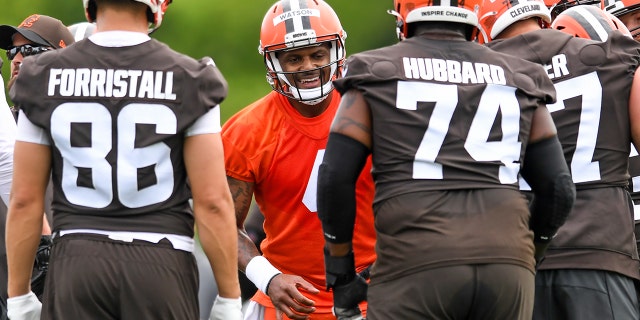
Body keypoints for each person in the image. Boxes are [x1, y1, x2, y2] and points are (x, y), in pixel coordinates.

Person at [317, 0, 577, 318]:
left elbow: (334, 177)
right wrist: (528, 253)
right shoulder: (521, 75)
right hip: (507, 265)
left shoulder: (375, 70)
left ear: (405, 17)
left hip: (415, 263)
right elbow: (558, 187)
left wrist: (341, 272)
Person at [4, 0, 242, 319]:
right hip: (161, 263)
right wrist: (229, 297)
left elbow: (23, 200)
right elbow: (213, 202)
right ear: (156, 6)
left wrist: (19, 294)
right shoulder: (192, 77)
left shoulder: (40, 76)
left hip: (77, 260)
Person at [478, 0, 640, 318]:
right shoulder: (610, 51)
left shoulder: (472, 76)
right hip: (599, 250)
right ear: (543, 16)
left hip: (510, 264)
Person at [219, 0, 377, 319]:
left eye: (317, 54)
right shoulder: (247, 130)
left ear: (335, 52)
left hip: (373, 292)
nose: (307, 66)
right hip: (287, 297)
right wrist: (269, 278)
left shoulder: (375, 111)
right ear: (273, 62)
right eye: (293, 58)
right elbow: (222, 225)